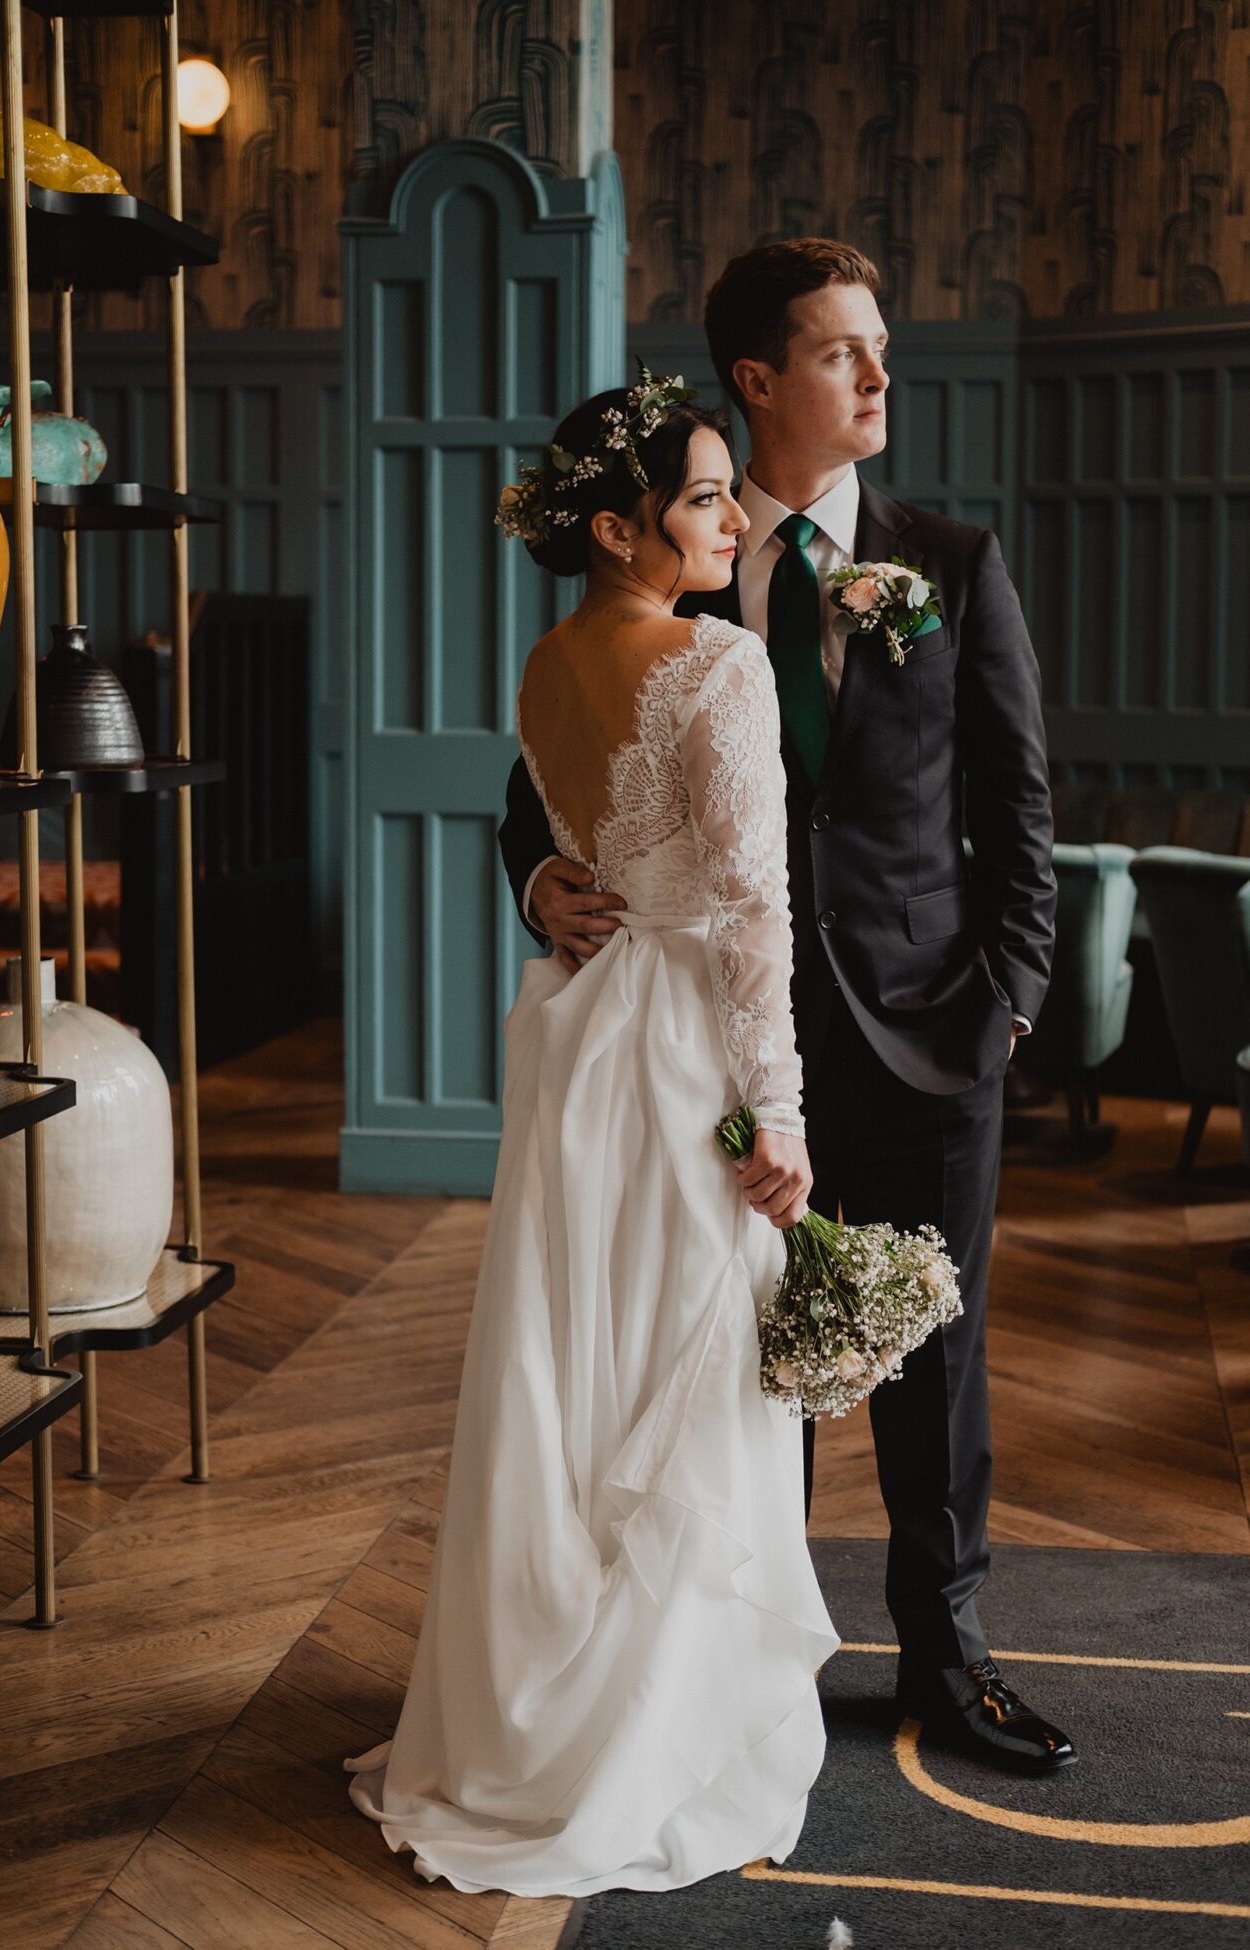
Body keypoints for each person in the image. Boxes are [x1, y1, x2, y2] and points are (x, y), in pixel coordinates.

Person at [500, 240, 1076, 1775]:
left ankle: (946, 1656)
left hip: (929, 1028)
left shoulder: (948, 564)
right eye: (843, 351)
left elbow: (1023, 821)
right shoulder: (668, 574)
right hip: (716, 1055)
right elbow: (551, 788)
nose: (881, 376)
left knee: (932, 1365)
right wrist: (540, 886)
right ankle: (739, 1649)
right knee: (727, 1365)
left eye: (879, 347)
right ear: (758, 380)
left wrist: (1003, 1011)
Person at [346, 375, 841, 1894]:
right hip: (688, 1052)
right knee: (679, 1386)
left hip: (583, 1048)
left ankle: (538, 1722)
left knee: (576, 1376)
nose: (727, 517)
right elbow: (754, 910)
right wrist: (788, 1117)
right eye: (702, 500)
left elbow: (583, 851)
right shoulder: (720, 666)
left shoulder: (546, 662)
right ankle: (653, 1737)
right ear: (622, 528)